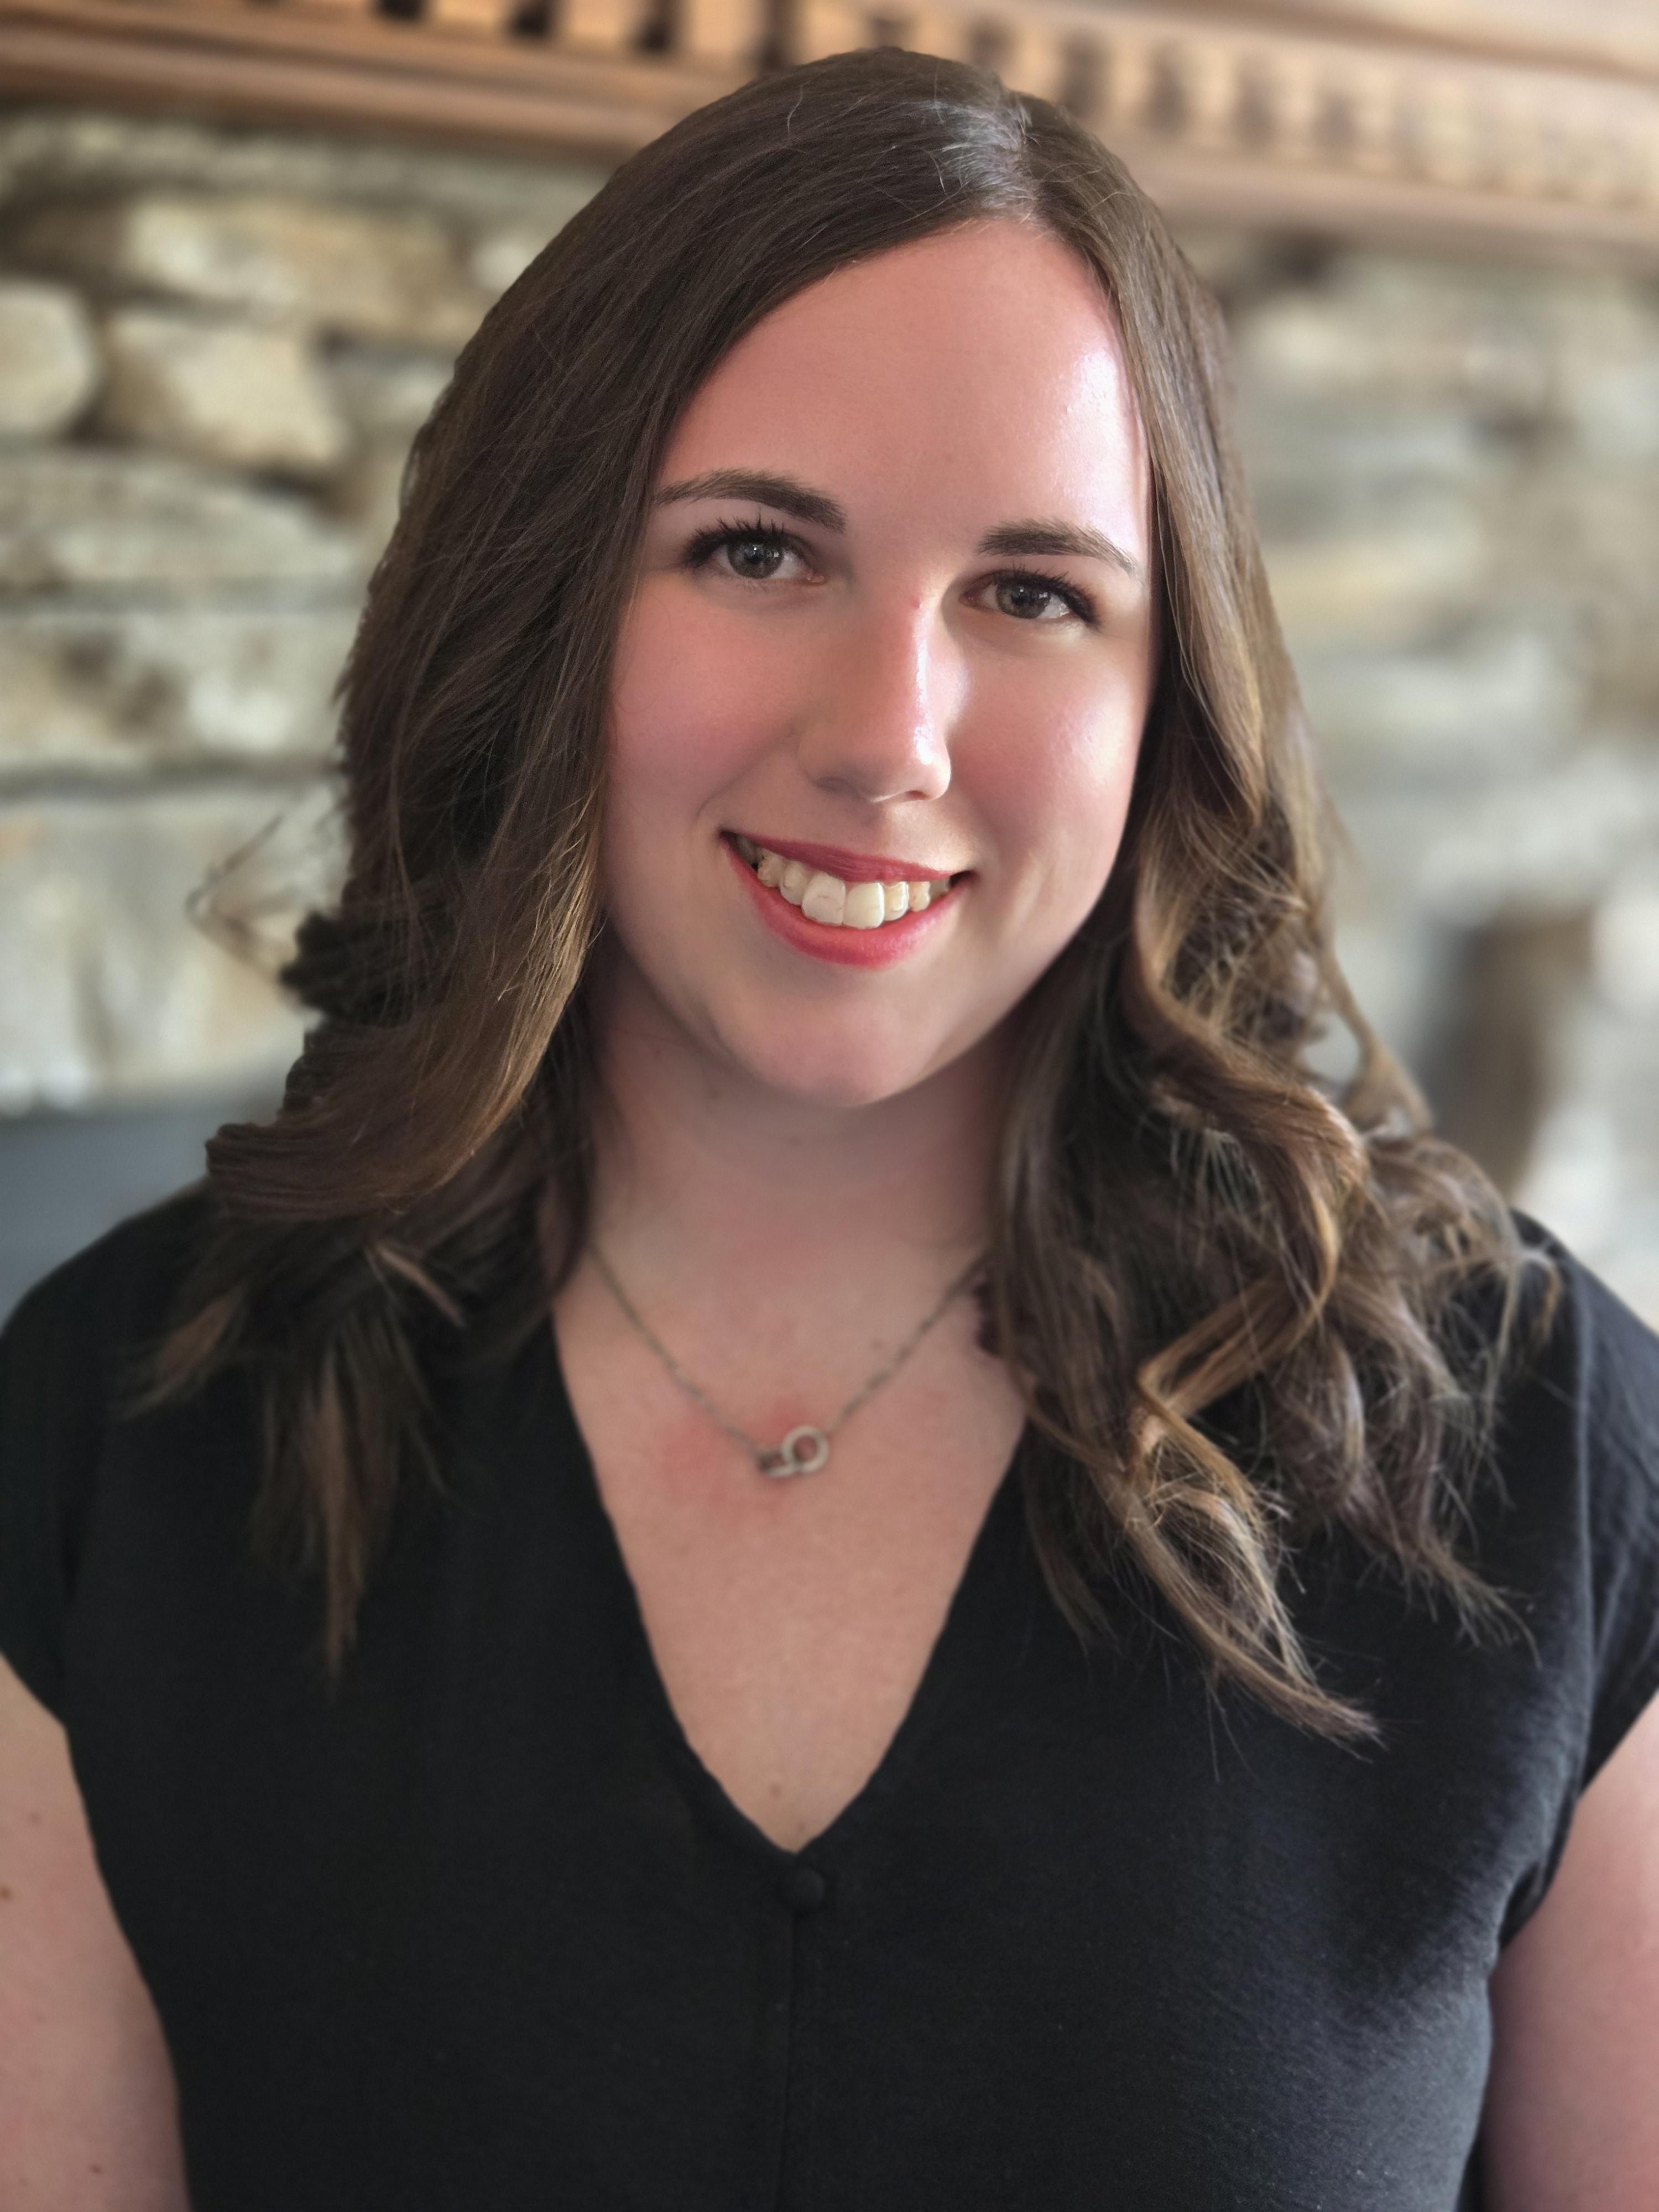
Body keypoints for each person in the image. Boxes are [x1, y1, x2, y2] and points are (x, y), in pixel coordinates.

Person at [2, 44, 1656, 2212]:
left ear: (1171, 697)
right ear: (541, 608)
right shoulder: (117, 1442)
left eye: (1034, 590)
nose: (889, 735)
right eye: (757, 549)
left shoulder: (1531, 1445)